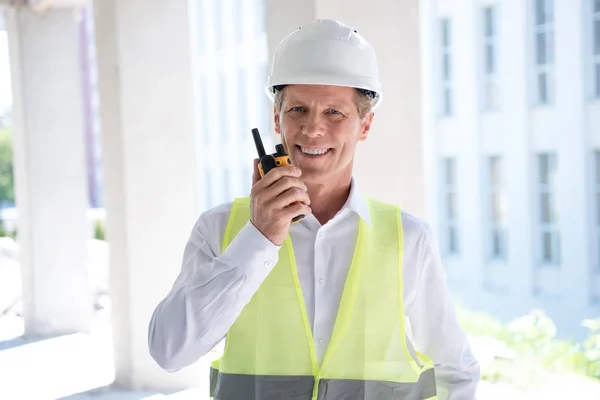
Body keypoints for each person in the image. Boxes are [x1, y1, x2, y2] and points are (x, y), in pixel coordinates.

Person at [148, 18, 480, 400]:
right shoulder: (220, 228)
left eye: (334, 113)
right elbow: (169, 351)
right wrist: (258, 239)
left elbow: (456, 370)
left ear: (365, 124)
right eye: (298, 109)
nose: (312, 129)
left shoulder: (409, 238)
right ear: (277, 119)